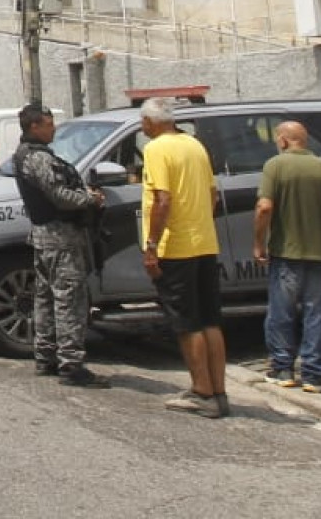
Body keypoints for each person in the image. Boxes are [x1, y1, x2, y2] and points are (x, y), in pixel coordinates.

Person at [139, 98, 228, 418]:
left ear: (153, 121)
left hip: (176, 245)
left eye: (143, 121)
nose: (141, 126)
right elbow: (211, 194)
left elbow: (163, 199)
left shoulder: (156, 150)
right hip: (204, 241)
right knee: (209, 319)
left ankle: (202, 391)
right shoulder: (194, 145)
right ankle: (218, 389)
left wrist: (152, 245)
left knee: (186, 321)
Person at [252, 120, 321, 393]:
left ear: (284, 141)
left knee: (281, 312)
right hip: (320, 252)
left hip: (286, 252)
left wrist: (258, 242)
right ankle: (314, 373)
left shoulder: (275, 166)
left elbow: (264, 207)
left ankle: (282, 368)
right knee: (317, 313)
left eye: (277, 139)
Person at [11, 105, 110, 388]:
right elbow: (59, 196)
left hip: (47, 238)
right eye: (48, 124)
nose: (53, 128)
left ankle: (46, 356)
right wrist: (90, 200)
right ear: (34, 128)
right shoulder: (38, 158)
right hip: (60, 238)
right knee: (69, 300)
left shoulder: (29, 155)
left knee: (45, 298)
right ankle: (71, 365)